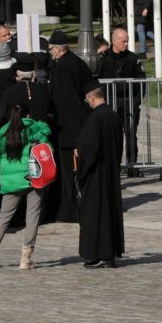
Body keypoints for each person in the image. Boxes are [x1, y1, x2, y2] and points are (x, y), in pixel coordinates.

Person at [0, 103, 48, 270]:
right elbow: (45, 150)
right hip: (33, 177)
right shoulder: (36, 130)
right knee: (32, 216)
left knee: (4, 217)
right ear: (28, 115)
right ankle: (26, 257)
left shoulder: (3, 133)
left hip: (11, 180)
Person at [46, 31, 94, 220]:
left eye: (51, 49)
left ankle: (71, 209)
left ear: (58, 49)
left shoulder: (62, 68)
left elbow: (61, 100)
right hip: (79, 124)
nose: (50, 53)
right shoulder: (77, 62)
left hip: (67, 128)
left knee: (69, 172)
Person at [76, 84, 125, 266]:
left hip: (96, 173)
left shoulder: (95, 118)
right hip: (110, 170)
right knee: (109, 212)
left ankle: (97, 253)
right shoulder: (112, 115)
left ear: (91, 98)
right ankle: (109, 253)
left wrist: (81, 170)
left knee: (95, 214)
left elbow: (89, 148)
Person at [91, 28, 144, 173]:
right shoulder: (102, 58)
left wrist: (136, 101)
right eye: (123, 41)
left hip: (128, 103)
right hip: (109, 103)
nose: (126, 44)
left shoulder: (133, 58)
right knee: (110, 136)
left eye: (127, 41)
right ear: (114, 41)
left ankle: (132, 165)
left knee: (131, 135)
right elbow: (95, 80)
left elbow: (141, 81)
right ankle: (112, 166)